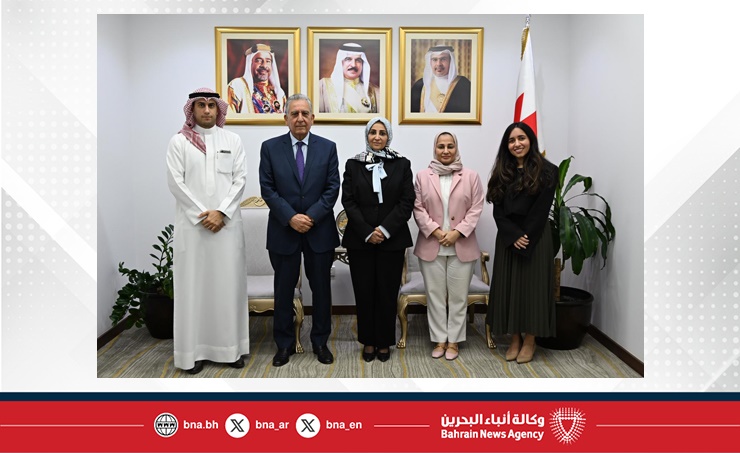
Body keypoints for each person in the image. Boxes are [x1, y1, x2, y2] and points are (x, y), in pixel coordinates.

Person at [166, 87, 249, 374]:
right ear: (192, 109)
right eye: (200, 105)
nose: (206, 110)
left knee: (227, 287)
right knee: (193, 290)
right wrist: (203, 214)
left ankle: (231, 349)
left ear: (218, 109)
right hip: (194, 230)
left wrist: (221, 212)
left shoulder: (232, 140)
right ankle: (193, 353)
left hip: (226, 228)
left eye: (211, 105)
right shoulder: (179, 142)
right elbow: (176, 183)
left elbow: (240, 180)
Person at [259, 93, 340, 367]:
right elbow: (268, 189)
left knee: (321, 290)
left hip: (320, 231)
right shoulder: (270, 148)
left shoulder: (328, 148)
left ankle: (320, 342)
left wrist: (311, 217)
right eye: (294, 114)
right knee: (283, 291)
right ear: (286, 119)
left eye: (305, 113)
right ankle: (284, 344)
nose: (300, 118)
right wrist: (291, 217)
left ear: (313, 118)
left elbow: (332, 188)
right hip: (284, 230)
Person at [341, 117, 414, 362]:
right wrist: (367, 231)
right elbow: (348, 201)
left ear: (388, 137)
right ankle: (368, 341)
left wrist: (384, 229)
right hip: (360, 240)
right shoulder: (353, 164)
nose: (377, 137)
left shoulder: (402, 164)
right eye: (373, 132)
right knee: (364, 292)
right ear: (367, 135)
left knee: (387, 292)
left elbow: (407, 201)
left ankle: (384, 341)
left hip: (392, 240)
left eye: (382, 133)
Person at [485, 122, 558, 364]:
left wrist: (524, 236)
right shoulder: (501, 171)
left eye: (521, 138)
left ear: (531, 140)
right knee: (509, 289)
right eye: (511, 140)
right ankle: (515, 338)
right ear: (506, 145)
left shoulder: (548, 171)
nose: (517, 144)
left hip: (535, 237)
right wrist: (512, 235)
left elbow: (541, 210)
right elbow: (497, 210)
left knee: (533, 290)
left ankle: (530, 340)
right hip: (508, 238)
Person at [412, 132, 484, 361]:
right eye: (441, 146)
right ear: (435, 149)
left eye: (450, 146)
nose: (445, 151)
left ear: (456, 148)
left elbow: (476, 208)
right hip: (431, 244)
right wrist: (436, 231)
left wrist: (456, 233)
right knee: (434, 296)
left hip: (461, 245)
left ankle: (454, 341)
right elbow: (417, 208)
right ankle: (439, 339)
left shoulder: (471, 176)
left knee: (458, 297)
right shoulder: (422, 176)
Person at [318, 43, 380, 114]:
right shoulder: (322, 87)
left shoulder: (375, 91)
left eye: (358, 60)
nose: (353, 65)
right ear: (341, 62)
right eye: (348, 59)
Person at [410, 45, 471, 113]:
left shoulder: (463, 85)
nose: (439, 64)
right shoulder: (420, 85)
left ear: (450, 61)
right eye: (434, 59)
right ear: (430, 62)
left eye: (443, 59)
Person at [227, 43, 287, 114]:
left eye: (268, 61)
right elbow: (229, 117)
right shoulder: (237, 86)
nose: (264, 65)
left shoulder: (279, 93)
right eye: (259, 60)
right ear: (250, 63)